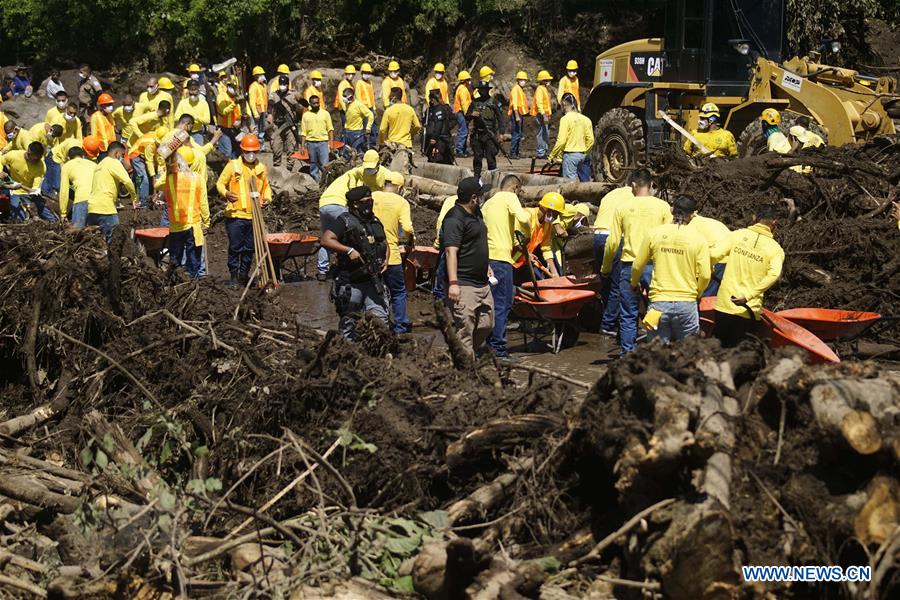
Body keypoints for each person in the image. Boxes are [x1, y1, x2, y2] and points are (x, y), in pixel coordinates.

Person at [601, 169, 672, 355]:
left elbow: (613, 242)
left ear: (633, 185)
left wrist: (606, 267)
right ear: (651, 185)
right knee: (657, 310)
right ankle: (656, 353)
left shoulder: (623, 208)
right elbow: (669, 237)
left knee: (628, 314)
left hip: (629, 266)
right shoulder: (663, 207)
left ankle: (627, 356)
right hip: (655, 266)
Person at [631, 195, 711, 344]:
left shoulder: (654, 233)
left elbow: (637, 265)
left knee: (657, 354)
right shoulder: (699, 239)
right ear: (693, 215)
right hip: (687, 304)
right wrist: (698, 293)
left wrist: (634, 284)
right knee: (688, 355)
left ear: (671, 210)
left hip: (658, 304)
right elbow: (706, 275)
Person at [321, 185, 391, 340]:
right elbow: (326, 239)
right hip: (351, 281)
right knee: (349, 322)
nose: (370, 203)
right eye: (366, 201)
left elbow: (383, 242)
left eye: (371, 200)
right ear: (355, 204)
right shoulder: (344, 221)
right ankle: (347, 355)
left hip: (374, 280)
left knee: (381, 320)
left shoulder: (374, 220)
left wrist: (386, 258)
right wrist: (348, 250)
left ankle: (377, 355)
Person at [316, 149, 394, 279]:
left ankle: (322, 271)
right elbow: (354, 200)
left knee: (328, 236)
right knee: (354, 234)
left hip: (324, 204)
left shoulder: (358, 174)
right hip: (339, 204)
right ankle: (354, 263)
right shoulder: (356, 177)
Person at [714, 204, 784, 347]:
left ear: (754, 218)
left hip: (724, 305)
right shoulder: (775, 249)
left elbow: (714, 254)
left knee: (718, 351)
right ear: (774, 223)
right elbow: (774, 274)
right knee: (739, 356)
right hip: (748, 310)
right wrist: (749, 295)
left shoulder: (737, 235)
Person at [441, 177, 494, 358]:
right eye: (480, 195)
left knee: (487, 324)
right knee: (466, 329)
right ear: (473, 197)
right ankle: (465, 369)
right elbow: (450, 252)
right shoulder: (454, 219)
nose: (482, 198)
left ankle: (462, 355)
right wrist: (454, 283)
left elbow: (477, 243)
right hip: (464, 283)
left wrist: (485, 265)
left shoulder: (476, 213)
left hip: (482, 282)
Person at [482, 175, 531, 360]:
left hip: (486, 261)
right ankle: (499, 350)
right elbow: (524, 219)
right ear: (515, 187)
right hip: (502, 260)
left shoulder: (488, 203)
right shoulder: (510, 198)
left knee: (490, 304)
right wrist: (526, 235)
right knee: (503, 305)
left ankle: (488, 344)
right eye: (518, 191)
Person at [216, 134, 271, 287]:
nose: (251, 155)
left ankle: (243, 275)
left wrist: (267, 199)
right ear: (242, 151)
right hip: (236, 215)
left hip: (254, 215)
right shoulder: (233, 166)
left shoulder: (261, 168)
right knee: (235, 246)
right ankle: (233, 276)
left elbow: (266, 188)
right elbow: (220, 183)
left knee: (249, 248)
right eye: (248, 152)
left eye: (253, 152)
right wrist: (226, 193)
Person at [373, 172, 415, 334]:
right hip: (391, 256)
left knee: (375, 290)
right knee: (398, 292)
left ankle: (379, 323)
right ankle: (400, 327)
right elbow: (407, 228)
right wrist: (411, 240)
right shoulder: (401, 202)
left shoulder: (372, 196)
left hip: (371, 254)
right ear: (399, 187)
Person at [163, 146, 209, 279]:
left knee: (175, 260)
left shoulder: (169, 179)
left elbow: (157, 185)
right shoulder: (198, 178)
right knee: (193, 260)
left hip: (175, 226)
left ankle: (175, 283)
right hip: (193, 226)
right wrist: (206, 222)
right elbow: (204, 203)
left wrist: (168, 168)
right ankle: (192, 285)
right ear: (192, 162)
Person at [87, 141, 135, 241]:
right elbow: (127, 182)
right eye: (122, 155)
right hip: (106, 208)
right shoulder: (114, 162)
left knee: (95, 241)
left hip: (92, 208)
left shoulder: (99, 165)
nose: (121, 158)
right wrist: (134, 198)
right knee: (115, 240)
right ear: (117, 153)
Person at [512, 192, 565, 279]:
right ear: (546, 209)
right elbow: (514, 239)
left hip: (523, 262)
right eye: (555, 214)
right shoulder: (527, 216)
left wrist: (555, 274)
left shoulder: (547, 224)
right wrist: (526, 254)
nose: (555, 218)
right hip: (509, 260)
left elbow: (546, 248)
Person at [0, 143, 54, 221]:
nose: (37, 161)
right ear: (29, 153)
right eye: (35, 159)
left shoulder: (41, 165)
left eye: (39, 158)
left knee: (48, 216)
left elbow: (35, 186)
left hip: (30, 194)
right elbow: (1, 160)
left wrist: (34, 191)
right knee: (19, 219)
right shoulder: (14, 155)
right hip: (15, 192)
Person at [549, 93, 594, 180]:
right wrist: (584, 152)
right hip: (584, 155)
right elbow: (591, 140)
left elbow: (561, 141)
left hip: (570, 156)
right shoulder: (586, 119)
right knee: (584, 183)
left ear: (564, 104)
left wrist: (552, 156)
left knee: (570, 185)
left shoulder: (565, 119)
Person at [688, 211, 732, 296]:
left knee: (704, 295)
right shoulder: (707, 221)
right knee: (713, 295)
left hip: (715, 259)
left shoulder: (691, 226)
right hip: (726, 258)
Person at [466, 81, 502, 181]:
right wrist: (471, 114)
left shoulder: (494, 102)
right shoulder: (474, 102)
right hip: (477, 134)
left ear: (488, 90)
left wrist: (501, 134)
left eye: (484, 90)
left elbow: (500, 119)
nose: (483, 91)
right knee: (477, 158)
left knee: (490, 158)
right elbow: (467, 117)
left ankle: (493, 179)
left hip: (490, 134)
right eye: (481, 90)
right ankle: (476, 178)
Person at [268, 78, 304, 167]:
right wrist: (269, 114)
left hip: (290, 126)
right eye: (281, 84)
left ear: (288, 85)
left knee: (291, 149)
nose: (282, 86)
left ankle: (289, 169)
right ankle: (277, 169)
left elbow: (303, 105)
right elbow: (270, 103)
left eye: (284, 84)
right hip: (278, 125)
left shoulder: (293, 95)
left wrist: (298, 98)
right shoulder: (274, 95)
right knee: (276, 148)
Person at [128, 125, 166, 208]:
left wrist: (159, 175)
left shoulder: (161, 137)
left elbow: (160, 161)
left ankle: (154, 199)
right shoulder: (150, 143)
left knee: (155, 178)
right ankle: (144, 203)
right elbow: (149, 162)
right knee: (145, 179)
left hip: (147, 157)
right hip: (136, 156)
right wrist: (153, 177)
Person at [59, 145, 95, 229]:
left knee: (77, 233)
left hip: (82, 200)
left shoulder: (66, 166)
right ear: (83, 156)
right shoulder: (94, 164)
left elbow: (64, 191)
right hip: (98, 199)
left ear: (68, 158)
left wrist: (63, 213)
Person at [300, 93, 334, 181]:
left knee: (325, 165)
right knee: (313, 165)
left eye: (317, 103)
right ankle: (316, 182)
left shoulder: (325, 114)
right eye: (314, 103)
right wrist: (302, 146)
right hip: (311, 143)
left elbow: (330, 129)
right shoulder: (306, 115)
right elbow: (303, 132)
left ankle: (326, 181)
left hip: (323, 143)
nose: (316, 105)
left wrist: (331, 143)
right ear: (310, 104)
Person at [423, 89, 453, 164]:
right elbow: (425, 123)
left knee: (440, 159)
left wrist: (434, 137)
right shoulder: (429, 110)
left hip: (440, 139)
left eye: (431, 99)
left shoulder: (441, 109)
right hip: (431, 139)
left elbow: (439, 125)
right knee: (431, 158)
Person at [216, 80, 243, 158]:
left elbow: (242, 112)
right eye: (231, 86)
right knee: (226, 153)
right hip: (224, 129)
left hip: (235, 129)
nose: (233, 88)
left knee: (236, 152)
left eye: (235, 87)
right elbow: (223, 111)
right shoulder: (221, 96)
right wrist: (235, 103)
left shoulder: (237, 98)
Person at [342, 87, 373, 154]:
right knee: (347, 153)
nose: (343, 98)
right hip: (347, 132)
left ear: (351, 97)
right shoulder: (347, 104)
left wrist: (368, 127)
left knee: (357, 153)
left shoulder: (358, 105)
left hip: (356, 133)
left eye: (345, 96)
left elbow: (370, 114)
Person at [508, 72, 530, 159]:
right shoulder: (515, 89)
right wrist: (517, 116)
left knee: (518, 133)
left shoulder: (520, 89)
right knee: (516, 134)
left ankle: (516, 152)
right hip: (516, 113)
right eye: (521, 80)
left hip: (519, 113)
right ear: (518, 80)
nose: (523, 82)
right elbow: (515, 104)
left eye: (524, 80)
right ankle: (512, 153)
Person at [531, 70, 553, 159]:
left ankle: (544, 151)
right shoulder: (540, 89)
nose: (548, 81)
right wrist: (543, 115)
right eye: (546, 79)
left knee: (545, 133)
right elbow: (539, 103)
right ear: (542, 80)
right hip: (541, 115)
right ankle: (541, 153)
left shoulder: (544, 89)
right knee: (541, 133)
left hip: (545, 114)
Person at [355, 63, 378, 148]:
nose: (367, 74)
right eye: (365, 72)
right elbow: (358, 98)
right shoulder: (359, 83)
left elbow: (372, 96)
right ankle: (364, 147)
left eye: (368, 72)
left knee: (374, 129)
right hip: (364, 110)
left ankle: (372, 146)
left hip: (370, 108)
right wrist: (362, 110)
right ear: (361, 73)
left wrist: (374, 108)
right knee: (365, 129)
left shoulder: (370, 83)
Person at [247, 66, 268, 150]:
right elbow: (252, 101)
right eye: (260, 75)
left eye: (262, 74)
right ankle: (255, 145)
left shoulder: (264, 85)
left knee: (262, 129)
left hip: (263, 111)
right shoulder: (253, 86)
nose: (262, 76)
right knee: (255, 129)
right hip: (257, 112)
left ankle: (261, 147)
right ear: (255, 76)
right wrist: (255, 113)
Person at [453, 71, 472, 157]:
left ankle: (463, 149)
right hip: (462, 112)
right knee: (463, 131)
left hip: (461, 112)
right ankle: (459, 150)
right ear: (464, 80)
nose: (469, 81)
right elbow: (464, 103)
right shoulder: (463, 89)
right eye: (468, 80)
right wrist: (468, 114)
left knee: (464, 131)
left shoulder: (462, 88)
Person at [335, 65, 356, 129]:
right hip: (345, 110)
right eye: (349, 74)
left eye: (352, 74)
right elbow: (341, 98)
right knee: (346, 127)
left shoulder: (351, 84)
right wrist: (346, 110)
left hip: (350, 109)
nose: (351, 75)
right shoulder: (343, 84)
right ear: (346, 74)